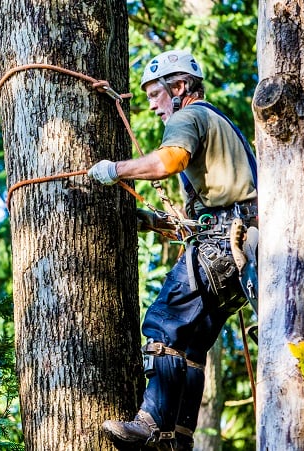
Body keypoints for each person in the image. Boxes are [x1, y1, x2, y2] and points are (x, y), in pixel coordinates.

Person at [88, 49, 258, 450]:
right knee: (191, 347)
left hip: (221, 245)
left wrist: (116, 169)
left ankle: (151, 424)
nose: (151, 105)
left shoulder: (189, 116)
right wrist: (152, 220)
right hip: (242, 253)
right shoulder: (221, 126)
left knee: (164, 324)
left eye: (155, 94)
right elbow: (202, 215)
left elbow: (170, 161)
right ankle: (177, 438)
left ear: (179, 87)